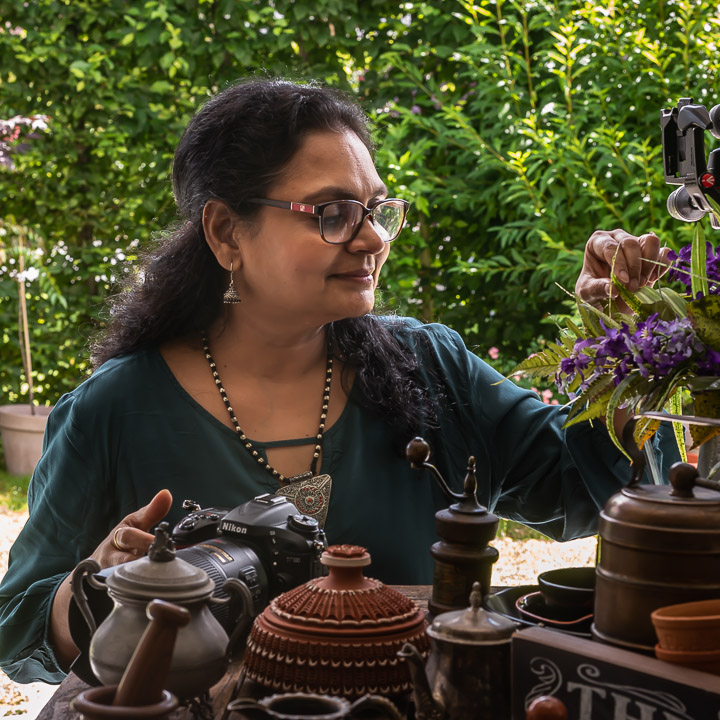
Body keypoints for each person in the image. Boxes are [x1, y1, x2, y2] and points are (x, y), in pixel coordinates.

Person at [0, 78, 676, 685]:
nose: (373, 238)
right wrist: (93, 594)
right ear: (227, 233)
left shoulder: (429, 367)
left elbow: (585, 489)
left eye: (376, 209)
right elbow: (16, 627)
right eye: (332, 213)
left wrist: (621, 353)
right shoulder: (114, 410)